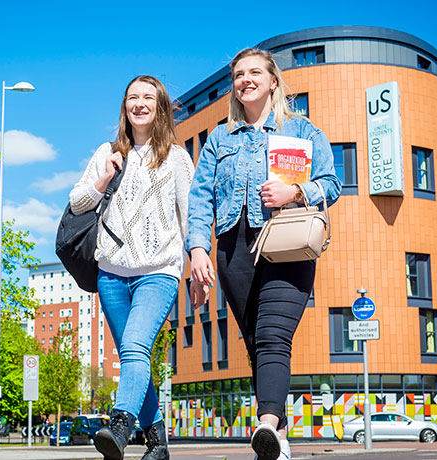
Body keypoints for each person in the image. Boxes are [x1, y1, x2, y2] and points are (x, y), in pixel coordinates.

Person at [186, 48, 341, 460]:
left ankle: (266, 423)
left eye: (255, 72)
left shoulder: (302, 131)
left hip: (287, 243)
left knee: (274, 337)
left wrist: (296, 191)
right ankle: (278, 439)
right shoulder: (219, 139)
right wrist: (198, 248)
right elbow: (200, 198)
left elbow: (333, 183)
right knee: (258, 343)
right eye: (238, 74)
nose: (245, 79)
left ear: (273, 81)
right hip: (233, 249)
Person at [69, 75, 194, 460]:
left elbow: (190, 219)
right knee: (133, 355)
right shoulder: (107, 152)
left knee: (136, 346)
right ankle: (158, 443)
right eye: (132, 98)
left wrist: (199, 267)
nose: (139, 104)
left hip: (159, 271)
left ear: (160, 107)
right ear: (124, 106)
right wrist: (105, 176)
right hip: (111, 273)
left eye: (147, 98)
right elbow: (77, 204)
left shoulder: (176, 157)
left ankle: (120, 425)